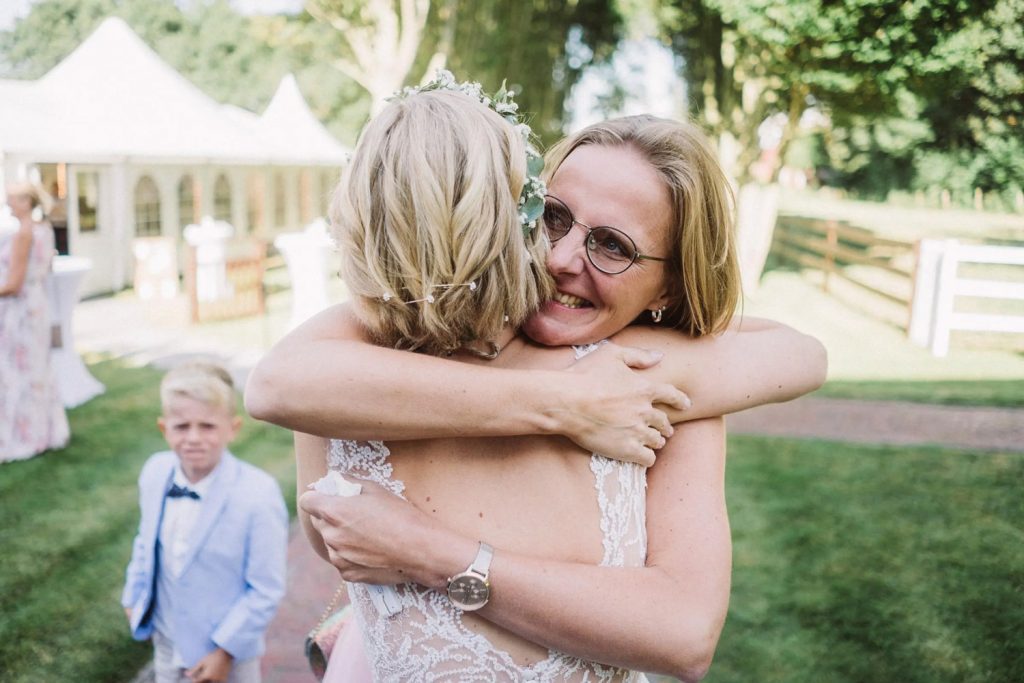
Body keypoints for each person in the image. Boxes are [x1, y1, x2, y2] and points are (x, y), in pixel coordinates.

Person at [247, 74, 826, 681]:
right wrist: (563, 402)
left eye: (612, 246)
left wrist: (430, 555)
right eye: (552, 216)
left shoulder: (653, 381)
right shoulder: (358, 364)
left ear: (672, 283)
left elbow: (683, 635)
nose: (559, 260)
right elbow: (275, 385)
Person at [122, 362, 288, 683]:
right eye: (182, 426)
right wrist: (133, 595)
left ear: (233, 428)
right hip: (167, 640)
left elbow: (266, 588)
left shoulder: (257, 493)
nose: (194, 438)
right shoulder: (155, 472)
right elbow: (145, 542)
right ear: (163, 428)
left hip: (225, 653)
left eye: (208, 426)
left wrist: (225, 651)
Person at [0, 181, 69, 463]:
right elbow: (46, 269)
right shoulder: (45, 229)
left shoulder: (24, 233)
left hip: (20, 311)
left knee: (17, 374)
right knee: (37, 371)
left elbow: (14, 284)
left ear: (27, 202)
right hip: (38, 305)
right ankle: (44, 433)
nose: (8, 204)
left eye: (13, 200)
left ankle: (24, 435)